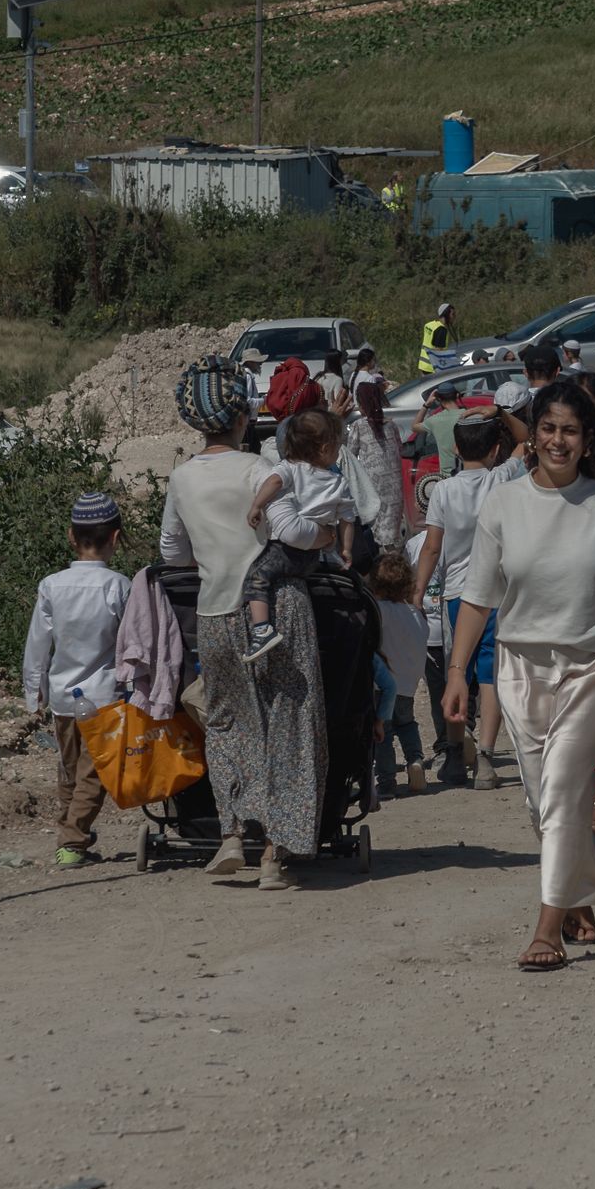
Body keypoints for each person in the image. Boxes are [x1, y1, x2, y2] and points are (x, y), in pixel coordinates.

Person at [446, 380, 595, 970]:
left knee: (566, 784)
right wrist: (458, 671)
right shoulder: (503, 503)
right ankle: (581, 884)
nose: (558, 440)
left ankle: (547, 929)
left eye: (570, 429)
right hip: (521, 671)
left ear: (587, 436)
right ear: (531, 435)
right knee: (542, 802)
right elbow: (477, 597)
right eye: (548, 429)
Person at [162, 356, 325, 890]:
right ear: (241, 418)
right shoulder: (262, 468)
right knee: (290, 722)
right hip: (278, 608)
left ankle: (231, 832)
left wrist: (211, 556)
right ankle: (274, 855)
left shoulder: (182, 478)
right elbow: (293, 531)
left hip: (214, 613)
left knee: (229, 721)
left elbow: (172, 552)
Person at [22, 492, 131, 867]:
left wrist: (32, 693)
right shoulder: (119, 586)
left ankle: (70, 838)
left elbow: (37, 644)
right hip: (104, 698)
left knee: (69, 770)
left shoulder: (52, 585)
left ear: (71, 536)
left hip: (63, 698)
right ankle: (72, 840)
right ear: (115, 538)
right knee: (95, 773)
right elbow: (130, 646)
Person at [414, 413, 510, 791]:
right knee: (490, 675)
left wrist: (418, 591)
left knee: (459, 672)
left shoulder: (442, 491)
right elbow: (523, 440)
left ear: (455, 448)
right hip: (499, 592)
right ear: (495, 450)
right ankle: (485, 757)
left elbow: (432, 547)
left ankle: (455, 752)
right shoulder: (501, 480)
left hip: (457, 594)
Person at [240, 409, 356, 663]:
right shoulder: (339, 482)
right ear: (326, 448)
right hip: (312, 556)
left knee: (255, 577)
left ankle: (261, 630)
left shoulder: (289, 469)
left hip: (285, 551)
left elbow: (272, 483)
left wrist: (257, 506)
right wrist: (346, 549)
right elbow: (348, 519)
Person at [367, 549, 428, 798]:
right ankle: (415, 760)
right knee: (407, 723)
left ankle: (388, 781)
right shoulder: (415, 613)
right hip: (408, 681)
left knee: (383, 732)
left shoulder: (377, 611)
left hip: (382, 685)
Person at [341, 347, 406, 550]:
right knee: (391, 527)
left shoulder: (360, 427)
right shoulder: (391, 424)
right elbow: (399, 448)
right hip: (395, 484)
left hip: (372, 485)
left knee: (377, 530)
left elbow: (350, 454)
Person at [410, 382, 467, 477]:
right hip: (468, 472)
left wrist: (426, 405)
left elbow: (414, 427)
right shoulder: (468, 415)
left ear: (439, 399)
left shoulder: (435, 420)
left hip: (448, 476)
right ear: (457, 395)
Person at [418, 302, 458, 375]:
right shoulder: (441, 330)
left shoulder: (430, 325)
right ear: (446, 314)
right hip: (432, 368)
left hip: (423, 365)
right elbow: (438, 351)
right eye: (453, 314)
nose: (454, 316)